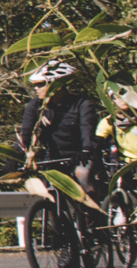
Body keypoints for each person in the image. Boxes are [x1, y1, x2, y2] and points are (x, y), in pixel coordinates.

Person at [18, 60, 104, 210]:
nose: (36, 89)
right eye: (35, 85)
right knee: (47, 193)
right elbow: (26, 132)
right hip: (52, 158)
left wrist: (86, 150)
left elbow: (87, 129)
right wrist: (16, 154)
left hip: (80, 156)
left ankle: (93, 218)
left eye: (41, 84)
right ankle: (57, 227)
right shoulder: (35, 106)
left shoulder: (82, 104)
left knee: (82, 174)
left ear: (56, 84)